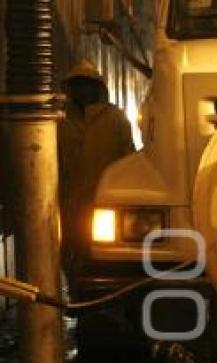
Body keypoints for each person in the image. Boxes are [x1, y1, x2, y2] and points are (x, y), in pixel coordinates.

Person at [58, 60, 134, 282]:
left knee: (104, 260)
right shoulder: (61, 122)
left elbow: (127, 160)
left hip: (105, 206)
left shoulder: (115, 119)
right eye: (78, 85)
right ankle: (79, 300)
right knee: (73, 256)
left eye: (87, 84)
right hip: (71, 206)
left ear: (97, 88)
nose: (83, 90)